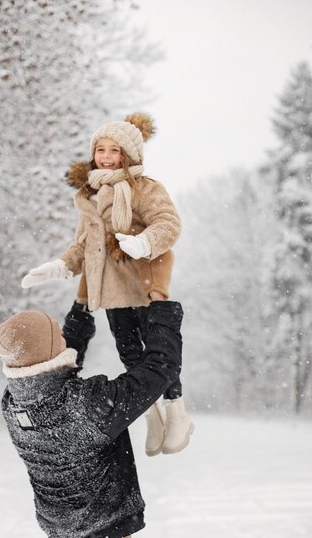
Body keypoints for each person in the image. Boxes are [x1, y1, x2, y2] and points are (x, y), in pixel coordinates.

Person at [21, 112, 194, 456]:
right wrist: (59, 266)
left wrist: (143, 242)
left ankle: (177, 410)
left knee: (157, 352)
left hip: (145, 282)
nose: (106, 156)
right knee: (130, 353)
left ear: (128, 155)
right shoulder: (89, 195)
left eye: (114, 150)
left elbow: (169, 223)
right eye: (100, 149)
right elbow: (84, 244)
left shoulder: (145, 188)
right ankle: (152, 416)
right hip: (112, 287)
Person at [0, 299, 184, 538]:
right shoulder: (88, 406)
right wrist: (162, 308)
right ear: (49, 349)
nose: (64, 337)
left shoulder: (15, 405)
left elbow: (49, 369)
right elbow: (161, 367)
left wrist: (82, 307)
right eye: (58, 333)